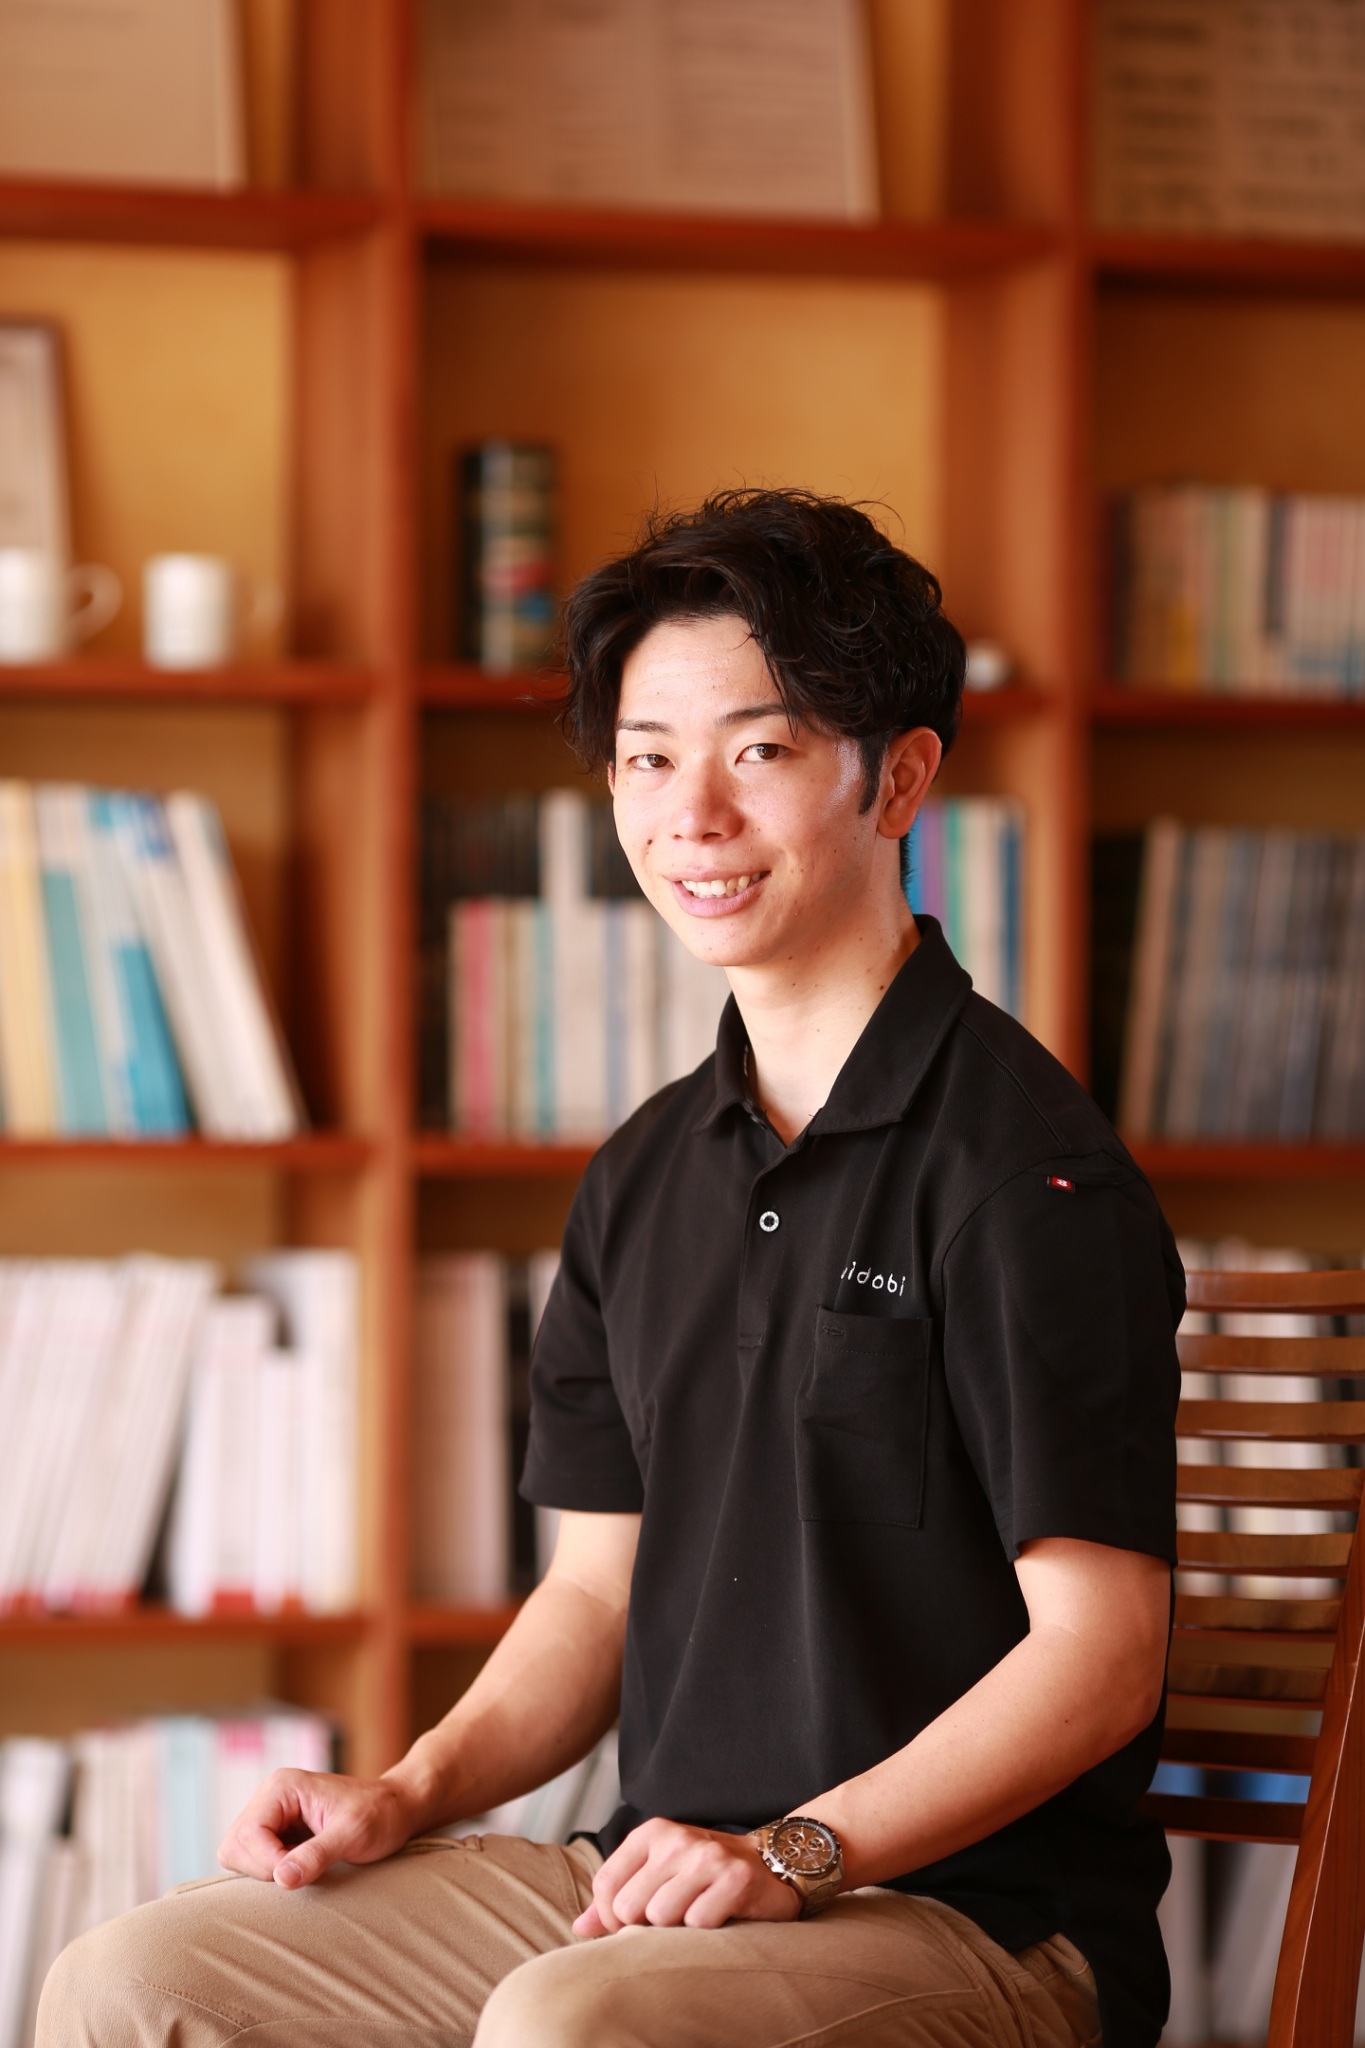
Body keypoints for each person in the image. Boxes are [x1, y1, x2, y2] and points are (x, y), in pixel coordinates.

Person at [41, 490, 1181, 2048]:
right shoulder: (645, 1173)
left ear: (900, 777)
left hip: (967, 1918)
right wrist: (406, 1791)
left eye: (758, 752)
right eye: (646, 758)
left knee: (573, 2026)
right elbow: (593, 1591)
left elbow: (1102, 1659)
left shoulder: (1024, 1180)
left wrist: (798, 1851)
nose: (688, 816)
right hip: (650, 1882)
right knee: (133, 1983)